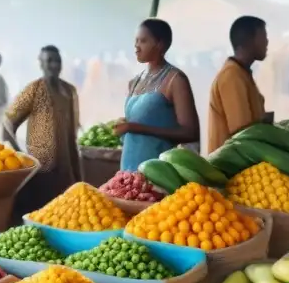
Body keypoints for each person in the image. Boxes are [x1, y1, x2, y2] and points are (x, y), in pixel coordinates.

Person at [5, 45, 82, 216]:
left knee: (65, 214)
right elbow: (8, 122)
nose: (53, 65)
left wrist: (77, 169)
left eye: (57, 60)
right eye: (48, 61)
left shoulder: (69, 91)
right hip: (42, 167)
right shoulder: (34, 89)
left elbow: (73, 129)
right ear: (40, 64)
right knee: (40, 213)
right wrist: (19, 155)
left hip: (66, 165)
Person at [115, 19, 200, 171]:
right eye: (136, 41)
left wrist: (134, 127)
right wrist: (125, 125)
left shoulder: (175, 80)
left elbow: (190, 132)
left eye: (143, 41)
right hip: (128, 171)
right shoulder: (134, 82)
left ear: (159, 44)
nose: (136, 46)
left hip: (159, 174)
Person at [208, 16, 269, 153]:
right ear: (249, 41)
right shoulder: (231, 75)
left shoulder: (242, 72)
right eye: (263, 36)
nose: (267, 41)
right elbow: (242, 132)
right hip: (228, 168)